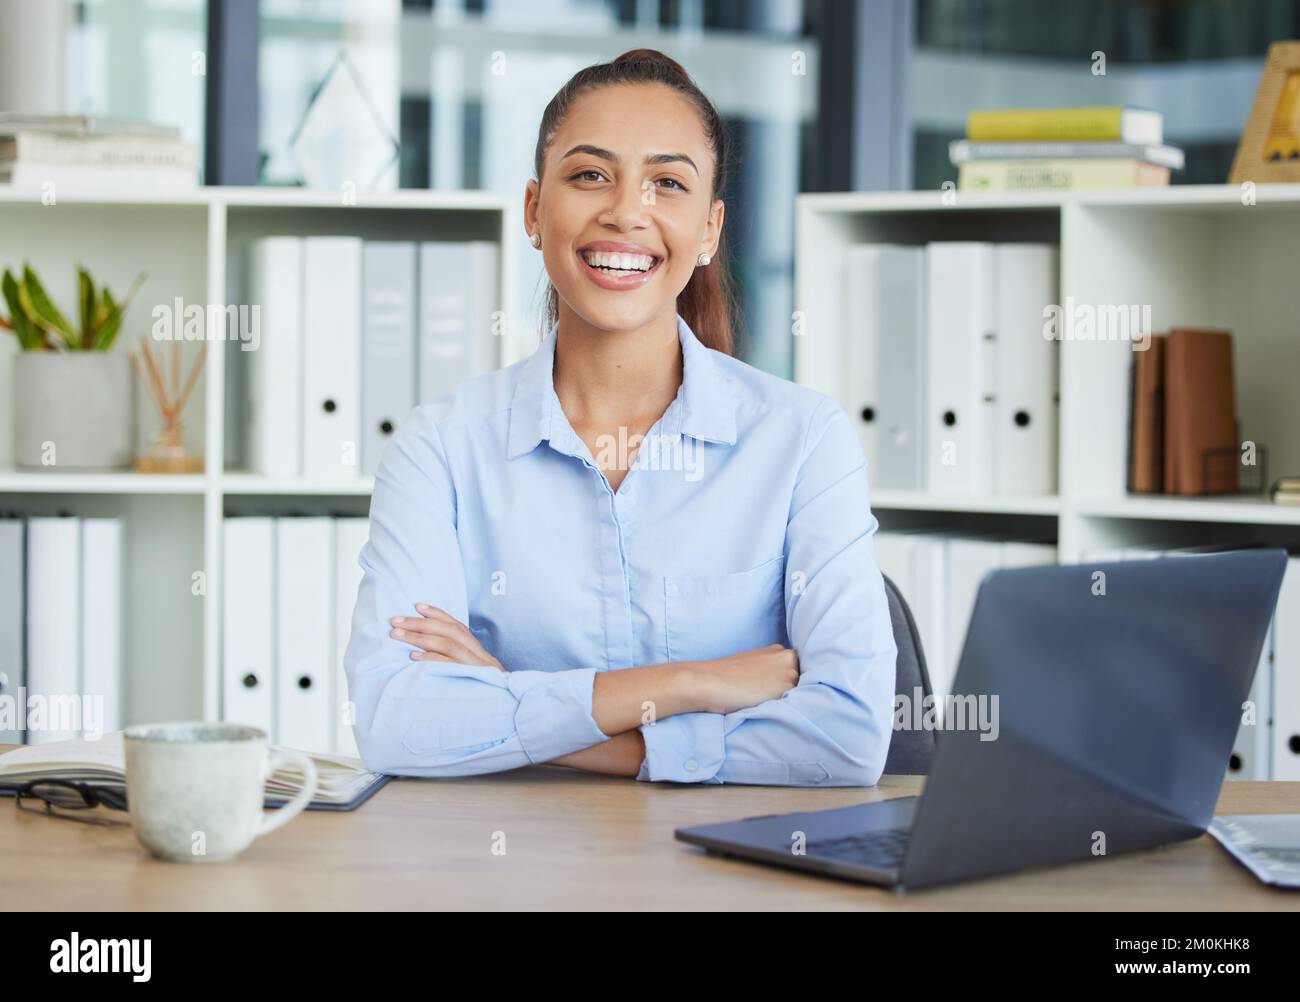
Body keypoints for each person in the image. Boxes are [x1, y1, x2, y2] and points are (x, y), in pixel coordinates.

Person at [344, 48, 896, 785]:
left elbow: (849, 738)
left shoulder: (802, 442)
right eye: (589, 175)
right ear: (535, 211)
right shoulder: (440, 447)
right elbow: (396, 722)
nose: (626, 211)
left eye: (668, 183)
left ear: (709, 229)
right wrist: (695, 682)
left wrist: (512, 703)